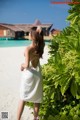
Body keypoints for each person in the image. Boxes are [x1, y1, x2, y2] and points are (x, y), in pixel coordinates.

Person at [17, 28, 45, 120]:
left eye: (29, 34)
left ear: (32, 37)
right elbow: (41, 37)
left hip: (29, 74)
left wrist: (21, 65)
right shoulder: (41, 46)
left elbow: (26, 65)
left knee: (23, 98)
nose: (28, 35)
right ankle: (35, 118)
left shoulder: (28, 49)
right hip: (38, 74)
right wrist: (39, 32)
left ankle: (18, 119)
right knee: (37, 99)